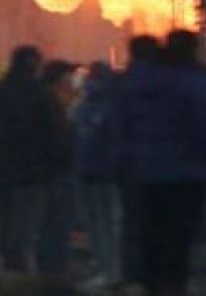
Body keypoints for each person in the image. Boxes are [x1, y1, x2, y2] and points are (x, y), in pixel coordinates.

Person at [123, 30, 206, 296]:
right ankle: (172, 286)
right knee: (179, 237)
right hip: (189, 172)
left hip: (146, 170)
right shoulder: (196, 81)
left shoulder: (139, 81)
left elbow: (124, 124)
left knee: (150, 233)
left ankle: (148, 283)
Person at [0, 45, 69, 273]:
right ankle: (24, 270)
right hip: (36, 173)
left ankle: (9, 265)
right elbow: (56, 133)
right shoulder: (42, 95)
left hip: (3, 171)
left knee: (8, 219)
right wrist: (60, 165)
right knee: (31, 223)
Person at [75, 62, 123, 289]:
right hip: (102, 174)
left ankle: (109, 270)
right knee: (106, 224)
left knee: (102, 225)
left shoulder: (87, 107)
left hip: (95, 173)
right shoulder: (110, 106)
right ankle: (109, 269)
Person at [119, 35, 160, 291]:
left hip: (128, 165)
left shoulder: (119, 84)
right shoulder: (167, 83)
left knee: (130, 221)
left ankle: (132, 273)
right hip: (162, 166)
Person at [37, 59, 78, 277]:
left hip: (58, 172)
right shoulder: (48, 106)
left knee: (58, 227)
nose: (73, 83)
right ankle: (53, 273)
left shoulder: (61, 105)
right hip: (55, 174)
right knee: (55, 227)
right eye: (68, 78)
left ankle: (54, 271)